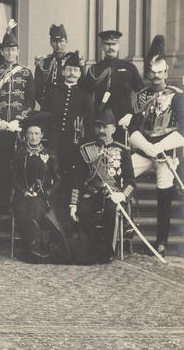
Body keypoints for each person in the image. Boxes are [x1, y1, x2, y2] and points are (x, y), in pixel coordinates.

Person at [127, 35, 184, 257]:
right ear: (148, 73)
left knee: (164, 195)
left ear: (166, 73)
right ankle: (125, 230)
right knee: (122, 174)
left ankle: (161, 241)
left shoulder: (177, 96)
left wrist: (159, 148)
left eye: (161, 73)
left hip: (165, 155)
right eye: (153, 73)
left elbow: (182, 132)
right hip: (143, 152)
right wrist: (147, 148)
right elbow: (132, 128)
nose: (156, 77)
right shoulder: (140, 97)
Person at [70, 108, 135, 264]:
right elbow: (77, 179)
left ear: (113, 128)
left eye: (105, 127)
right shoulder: (86, 150)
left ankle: (107, 252)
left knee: (112, 211)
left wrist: (123, 195)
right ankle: (97, 246)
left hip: (113, 195)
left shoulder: (123, 151)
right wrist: (73, 203)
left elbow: (131, 181)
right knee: (83, 210)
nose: (101, 130)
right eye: (98, 127)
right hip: (92, 194)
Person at [0, 20, 34, 210]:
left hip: (19, 126)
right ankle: (2, 201)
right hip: (0, 126)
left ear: (18, 51)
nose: (10, 53)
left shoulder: (26, 73)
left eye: (13, 49)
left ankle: (19, 201)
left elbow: (30, 101)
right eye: (6, 49)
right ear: (1, 52)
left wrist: (18, 120)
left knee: (20, 162)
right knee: (3, 163)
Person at [11, 112, 64, 263]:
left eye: (36, 133)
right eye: (30, 133)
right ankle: (31, 247)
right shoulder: (20, 153)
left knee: (36, 206)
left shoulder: (50, 154)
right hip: (22, 195)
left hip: (43, 196)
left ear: (42, 135)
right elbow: (13, 178)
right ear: (25, 135)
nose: (33, 137)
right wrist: (24, 191)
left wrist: (47, 192)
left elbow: (58, 179)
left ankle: (35, 248)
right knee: (24, 207)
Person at [41, 52, 93, 205]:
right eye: (69, 69)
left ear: (80, 73)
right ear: (63, 72)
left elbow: (89, 124)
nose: (72, 73)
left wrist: (86, 145)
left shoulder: (85, 96)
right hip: (54, 143)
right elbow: (44, 118)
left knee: (72, 179)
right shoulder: (52, 93)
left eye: (75, 70)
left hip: (74, 145)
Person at [80, 29, 144, 143]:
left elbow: (142, 94)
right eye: (107, 44)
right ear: (102, 46)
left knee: (121, 154)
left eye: (114, 44)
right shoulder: (95, 69)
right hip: (101, 122)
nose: (111, 47)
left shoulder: (129, 68)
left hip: (123, 120)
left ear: (118, 46)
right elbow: (86, 95)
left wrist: (131, 114)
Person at [34, 24, 75, 108]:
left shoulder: (73, 61)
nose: (58, 45)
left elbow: (81, 86)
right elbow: (37, 90)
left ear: (66, 41)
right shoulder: (44, 63)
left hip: (69, 107)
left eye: (61, 41)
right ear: (50, 42)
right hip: (49, 108)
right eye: (55, 41)